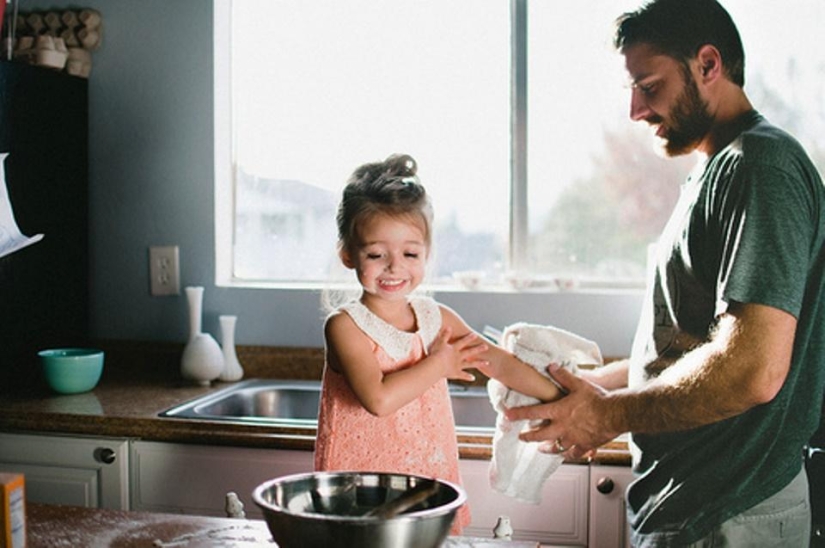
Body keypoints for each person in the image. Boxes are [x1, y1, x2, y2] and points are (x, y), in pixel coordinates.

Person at [505, 0, 825, 546]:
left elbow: (752, 368)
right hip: (695, 511)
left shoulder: (759, 167)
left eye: (649, 87)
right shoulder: (716, 170)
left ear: (708, 64)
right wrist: (585, 392)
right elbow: (689, 348)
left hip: (728, 513)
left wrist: (606, 417)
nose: (634, 110)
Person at [314, 153, 560, 535]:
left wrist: (560, 397)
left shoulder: (435, 319)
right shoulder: (345, 327)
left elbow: (497, 363)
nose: (395, 266)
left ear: (426, 254)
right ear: (348, 253)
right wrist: (439, 365)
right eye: (377, 254)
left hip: (425, 482)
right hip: (359, 493)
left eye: (410, 253)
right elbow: (377, 399)